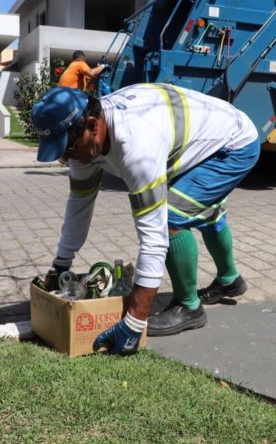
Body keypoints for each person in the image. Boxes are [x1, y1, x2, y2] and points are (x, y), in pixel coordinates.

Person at [32, 83, 260, 356]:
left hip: (233, 146)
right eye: (59, 153)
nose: (67, 158)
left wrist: (133, 320)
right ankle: (229, 280)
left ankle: (189, 307)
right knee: (206, 211)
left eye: (67, 148)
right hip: (202, 137)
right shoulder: (84, 140)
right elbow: (79, 204)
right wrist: (61, 264)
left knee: (170, 218)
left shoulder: (136, 146)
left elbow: (154, 239)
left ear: (93, 125)